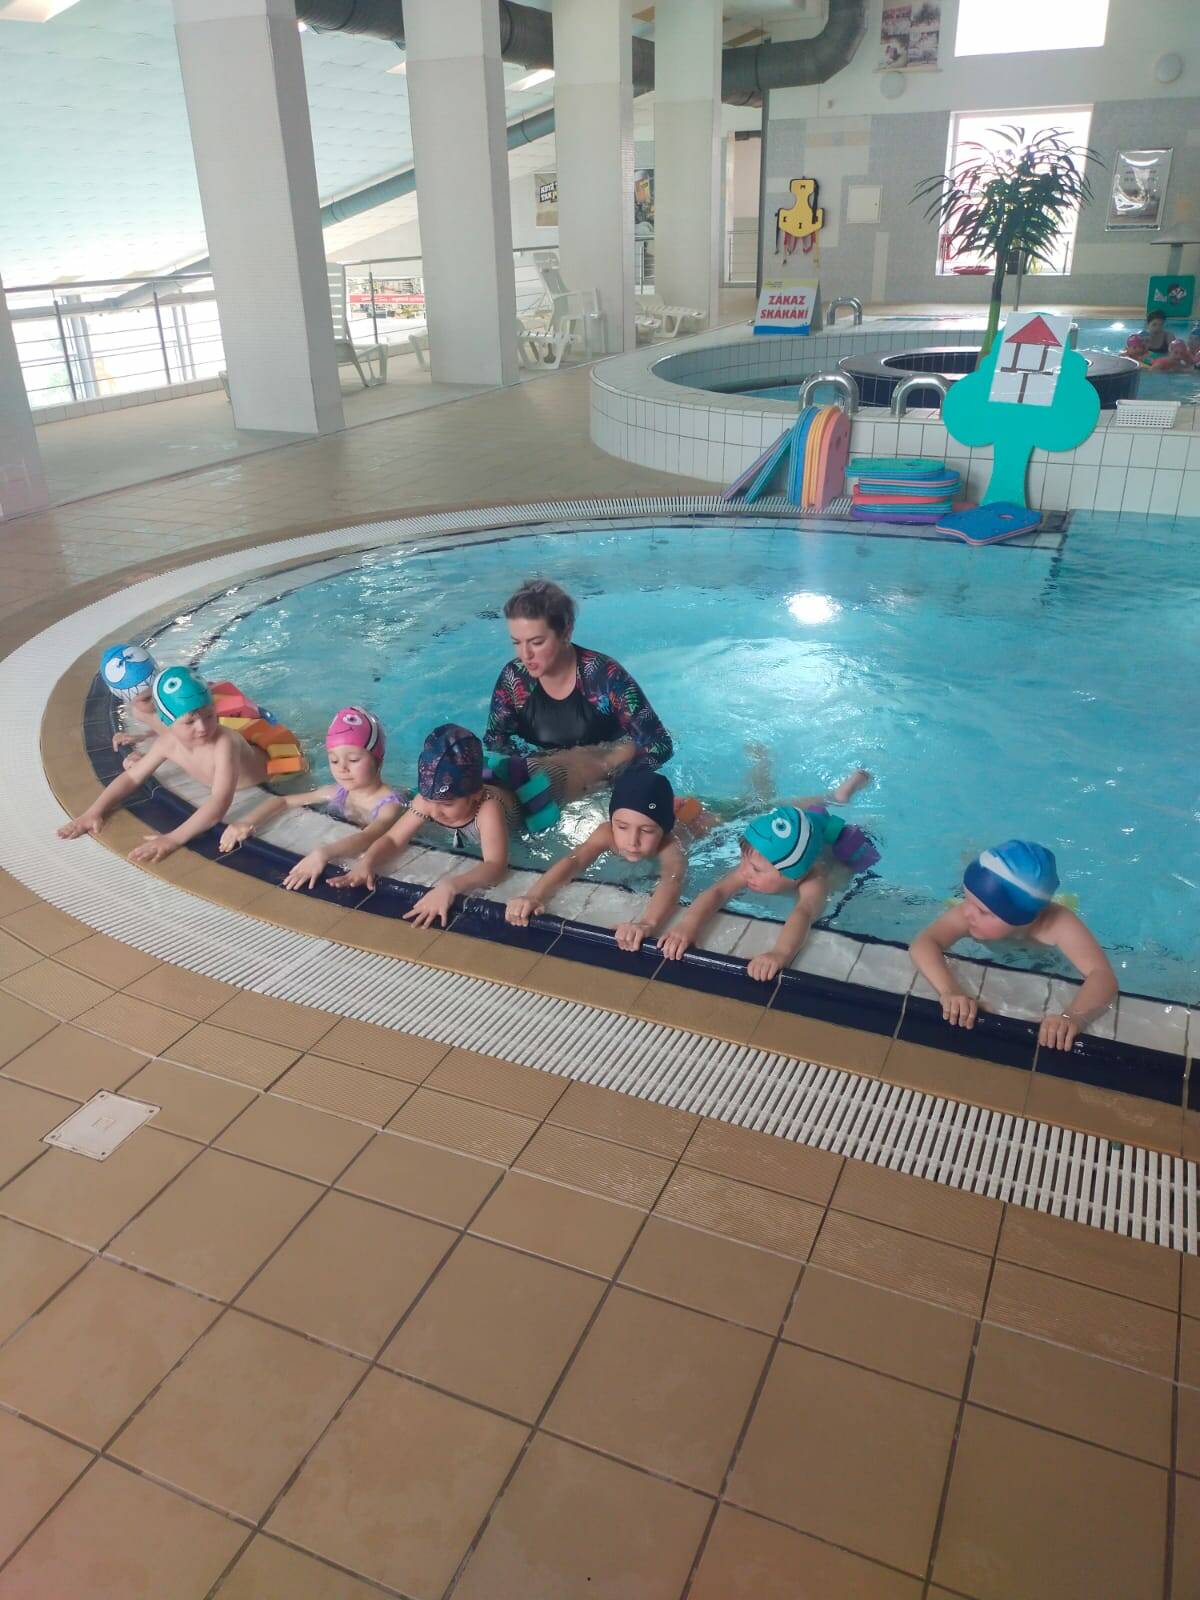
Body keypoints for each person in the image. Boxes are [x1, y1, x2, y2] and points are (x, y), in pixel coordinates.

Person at [660, 770, 876, 979]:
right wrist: (687, 926)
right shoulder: (756, 863)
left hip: (831, 853)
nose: (744, 871)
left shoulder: (814, 881)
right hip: (803, 834)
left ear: (794, 875)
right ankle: (836, 796)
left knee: (841, 878)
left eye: (756, 869)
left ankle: (853, 807)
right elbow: (718, 891)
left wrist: (780, 953)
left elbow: (804, 912)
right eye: (744, 859)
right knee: (786, 810)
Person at [908, 839, 1118, 1051]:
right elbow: (923, 943)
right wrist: (950, 991)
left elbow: (1103, 976)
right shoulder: (968, 913)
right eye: (967, 898)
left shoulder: (1059, 924)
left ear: (1022, 919)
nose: (967, 912)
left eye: (983, 911)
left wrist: (1072, 1018)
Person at [484, 578, 673, 809]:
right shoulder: (514, 678)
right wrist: (526, 770)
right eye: (516, 642)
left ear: (566, 631)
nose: (525, 654)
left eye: (537, 642)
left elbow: (659, 745)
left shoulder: (604, 677)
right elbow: (495, 740)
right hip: (546, 776)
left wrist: (611, 779)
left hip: (604, 774)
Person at [57, 666, 273, 864]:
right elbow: (132, 777)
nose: (202, 727)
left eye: (209, 716)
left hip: (272, 775)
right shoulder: (167, 743)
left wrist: (172, 839)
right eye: (190, 721)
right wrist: (94, 811)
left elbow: (220, 802)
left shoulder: (225, 743)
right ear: (167, 721)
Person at [329, 723, 515, 927]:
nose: (434, 811)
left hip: (517, 799)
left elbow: (495, 866)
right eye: (428, 800)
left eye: (447, 804)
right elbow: (393, 839)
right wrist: (367, 862)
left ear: (475, 796)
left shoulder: (488, 809)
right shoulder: (427, 800)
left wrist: (450, 886)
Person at [218, 706, 405, 891]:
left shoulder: (390, 805)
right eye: (334, 760)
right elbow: (284, 801)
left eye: (354, 760)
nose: (342, 768)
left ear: (379, 760)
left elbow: (368, 837)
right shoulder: (336, 792)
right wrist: (247, 821)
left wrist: (322, 854)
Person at [507, 765, 689, 951]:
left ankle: (681, 807)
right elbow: (575, 860)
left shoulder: (670, 845)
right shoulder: (606, 833)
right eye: (622, 827)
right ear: (612, 822)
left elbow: (672, 879)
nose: (632, 841)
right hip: (659, 810)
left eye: (647, 830)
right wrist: (534, 896)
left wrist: (647, 923)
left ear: (663, 830)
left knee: (693, 812)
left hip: (690, 818)